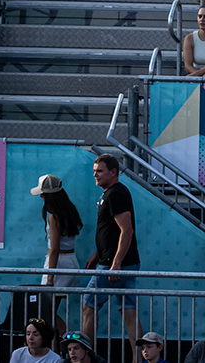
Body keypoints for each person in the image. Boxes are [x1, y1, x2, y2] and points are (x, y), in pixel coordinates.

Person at [79, 152, 138, 355]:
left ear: (113, 172)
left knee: (89, 305)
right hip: (116, 261)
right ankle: (139, 358)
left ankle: (86, 356)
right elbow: (110, 232)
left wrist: (116, 263)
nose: (95, 175)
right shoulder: (111, 193)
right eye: (94, 171)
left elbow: (126, 229)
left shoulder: (116, 193)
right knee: (129, 311)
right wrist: (98, 253)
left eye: (100, 171)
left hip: (113, 265)